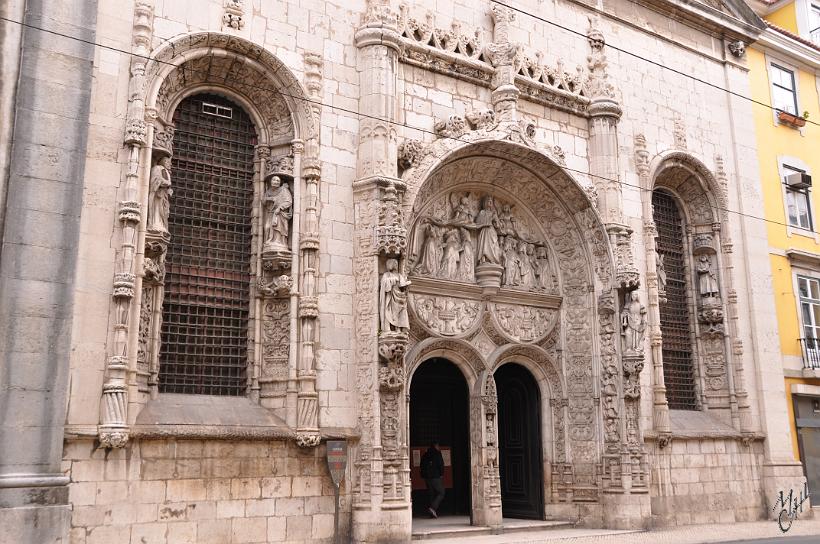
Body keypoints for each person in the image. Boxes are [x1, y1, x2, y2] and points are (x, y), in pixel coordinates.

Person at [420, 442, 445, 518]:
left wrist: (424, 475)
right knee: (441, 492)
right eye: (438, 446)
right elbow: (441, 464)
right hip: (435, 476)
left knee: (431, 494)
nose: (439, 447)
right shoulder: (437, 454)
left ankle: (432, 513)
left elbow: (421, 465)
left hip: (427, 478)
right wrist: (441, 474)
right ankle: (433, 508)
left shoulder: (425, 454)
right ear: (436, 446)